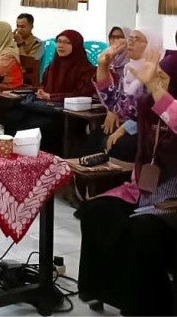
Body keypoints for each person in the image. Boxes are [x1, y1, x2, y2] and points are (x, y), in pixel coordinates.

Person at [78, 49, 177, 316]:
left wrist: (156, 88)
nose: (157, 80)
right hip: (144, 192)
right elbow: (119, 107)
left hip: (172, 202)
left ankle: (149, 307)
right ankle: (100, 289)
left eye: (163, 76)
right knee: (96, 211)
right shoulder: (151, 105)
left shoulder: (163, 102)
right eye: (157, 75)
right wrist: (103, 68)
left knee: (142, 230)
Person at [2, 30, 96, 153]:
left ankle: (39, 158)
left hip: (66, 113)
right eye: (59, 41)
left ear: (76, 46)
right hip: (46, 107)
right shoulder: (53, 65)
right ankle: (11, 153)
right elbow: (44, 85)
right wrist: (41, 91)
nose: (61, 45)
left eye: (67, 42)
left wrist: (52, 96)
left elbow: (83, 94)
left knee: (34, 125)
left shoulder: (86, 69)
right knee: (14, 114)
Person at [95, 27, 162, 162]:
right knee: (94, 137)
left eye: (137, 39)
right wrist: (102, 65)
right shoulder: (129, 69)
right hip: (128, 123)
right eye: (130, 38)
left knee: (119, 145)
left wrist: (123, 129)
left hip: (148, 130)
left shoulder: (160, 71)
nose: (131, 42)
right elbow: (115, 103)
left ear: (151, 45)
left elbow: (153, 113)